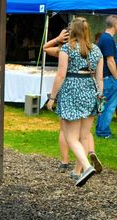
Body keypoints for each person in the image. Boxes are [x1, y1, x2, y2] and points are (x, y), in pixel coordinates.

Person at [47, 17, 103, 187]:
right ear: (87, 30)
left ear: (72, 30)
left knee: (71, 137)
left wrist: (52, 98)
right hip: (90, 92)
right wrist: (98, 97)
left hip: (71, 91)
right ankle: (78, 171)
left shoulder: (67, 48)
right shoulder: (97, 50)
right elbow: (99, 78)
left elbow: (61, 75)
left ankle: (86, 167)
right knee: (84, 135)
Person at [96, 15, 117, 139]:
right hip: (109, 78)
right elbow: (110, 61)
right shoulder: (108, 39)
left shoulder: (104, 38)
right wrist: (116, 77)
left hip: (106, 78)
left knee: (103, 106)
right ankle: (103, 132)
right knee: (109, 106)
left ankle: (101, 131)